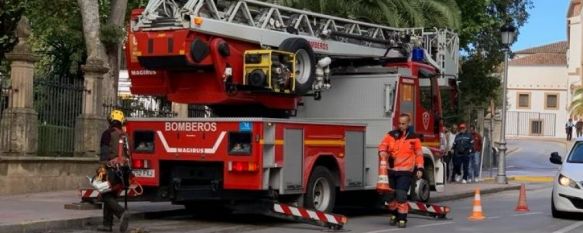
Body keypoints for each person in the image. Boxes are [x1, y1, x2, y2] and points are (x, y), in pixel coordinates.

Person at [378, 114, 424, 228]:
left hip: (405, 171)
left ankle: (402, 218)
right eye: (399, 123)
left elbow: (419, 155)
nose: (401, 125)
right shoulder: (391, 135)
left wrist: (420, 168)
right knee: (389, 196)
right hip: (391, 170)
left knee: (401, 195)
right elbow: (383, 145)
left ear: (408, 124)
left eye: (403, 123)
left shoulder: (414, 137)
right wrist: (382, 152)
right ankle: (394, 214)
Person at [97, 110, 130, 233]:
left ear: (110, 120)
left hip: (111, 170)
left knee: (105, 195)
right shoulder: (125, 136)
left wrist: (101, 173)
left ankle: (121, 213)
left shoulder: (107, 133)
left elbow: (104, 156)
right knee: (111, 196)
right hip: (124, 172)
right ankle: (107, 225)